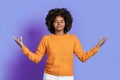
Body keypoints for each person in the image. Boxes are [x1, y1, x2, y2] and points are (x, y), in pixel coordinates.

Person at [13, 8, 108, 80]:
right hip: (49, 77)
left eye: (62, 21)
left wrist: (98, 46)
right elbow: (36, 59)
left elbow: (83, 57)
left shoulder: (73, 39)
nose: (59, 24)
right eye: (56, 21)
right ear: (51, 23)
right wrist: (22, 46)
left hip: (67, 77)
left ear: (66, 23)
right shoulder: (46, 39)